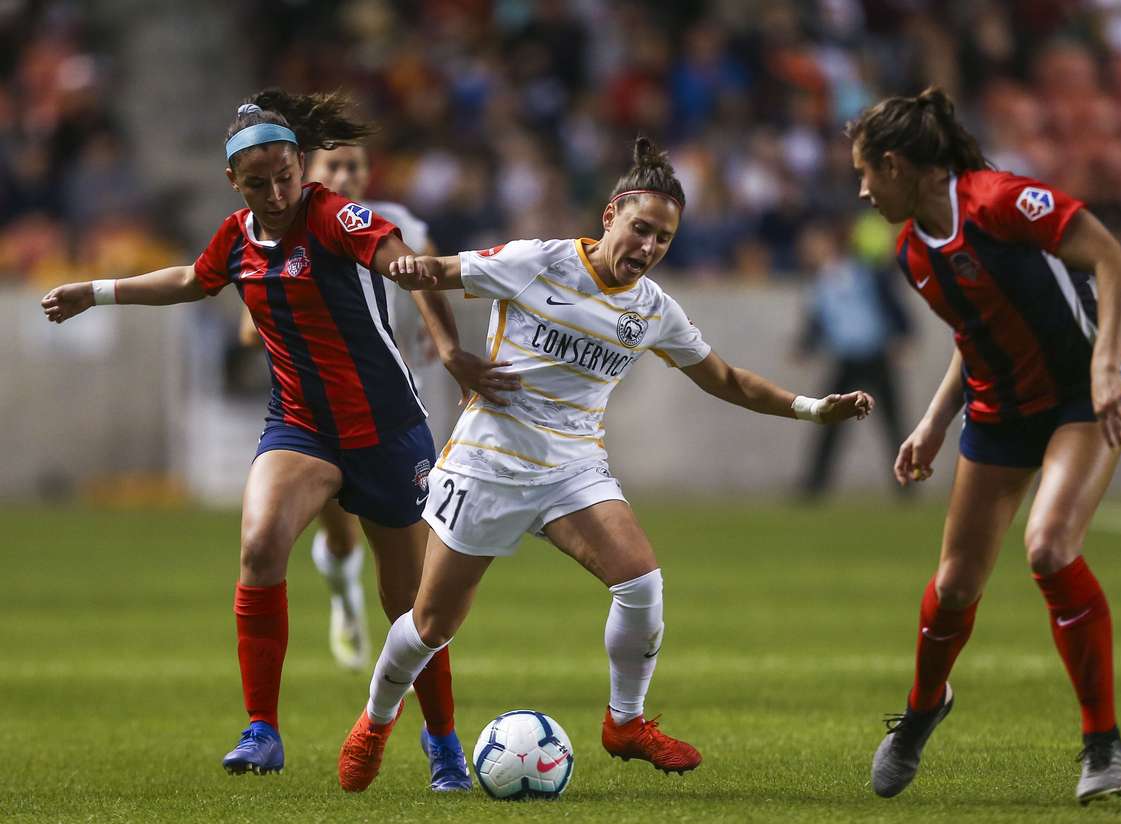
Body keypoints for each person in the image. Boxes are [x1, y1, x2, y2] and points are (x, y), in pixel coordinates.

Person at [333, 137, 875, 792]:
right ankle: (376, 720)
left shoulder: (651, 309)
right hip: (488, 464)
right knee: (429, 626)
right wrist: (439, 335)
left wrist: (814, 408)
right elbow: (428, 272)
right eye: (641, 229)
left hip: (573, 470)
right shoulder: (538, 261)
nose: (648, 248)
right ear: (612, 214)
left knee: (642, 583)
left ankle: (625, 722)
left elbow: (726, 379)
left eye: (664, 240)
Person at [41, 89, 518, 790]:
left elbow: (389, 249)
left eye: (284, 178)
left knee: (410, 607)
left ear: (303, 168)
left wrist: (411, 281)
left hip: (386, 430)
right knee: (261, 544)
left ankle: (442, 739)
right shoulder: (235, 237)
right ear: (234, 181)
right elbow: (191, 280)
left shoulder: (331, 215)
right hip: (299, 426)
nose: (273, 193)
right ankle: (262, 730)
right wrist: (98, 290)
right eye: (257, 183)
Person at [846, 87, 1121, 804]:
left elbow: (1117, 265)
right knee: (954, 586)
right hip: (1000, 409)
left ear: (895, 164)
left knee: (1048, 548)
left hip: (1083, 396)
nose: (860, 190)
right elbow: (971, 334)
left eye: (864, 173)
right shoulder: (913, 252)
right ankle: (922, 710)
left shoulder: (1002, 200)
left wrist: (1107, 366)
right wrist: (932, 421)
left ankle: (1102, 742)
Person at [298, 144, 441, 674]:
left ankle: (419, 667)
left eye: (354, 165)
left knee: (413, 550)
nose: (344, 175)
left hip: (399, 403)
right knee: (339, 534)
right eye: (332, 166)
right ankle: (344, 600)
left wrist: (436, 332)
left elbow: (430, 274)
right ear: (308, 174)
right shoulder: (294, 232)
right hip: (326, 409)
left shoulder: (398, 223)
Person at [795, 220, 912, 495]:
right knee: (828, 422)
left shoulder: (864, 272)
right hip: (846, 359)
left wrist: (903, 334)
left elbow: (892, 304)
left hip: (874, 355)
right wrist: (805, 345)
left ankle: (905, 483)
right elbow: (819, 321)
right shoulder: (822, 281)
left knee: (892, 423)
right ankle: (815, 484)